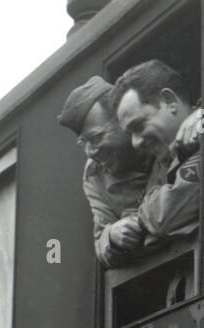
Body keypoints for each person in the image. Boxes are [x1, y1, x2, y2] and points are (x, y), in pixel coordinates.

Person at [107, 60, 204, 256]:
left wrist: (147, 216)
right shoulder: (160, 164)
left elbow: (165, 217)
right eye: (130, 134)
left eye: (139, 126)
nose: (135, 143)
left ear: (169, 101)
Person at [56, 75, 153, 267]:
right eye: (83, 142)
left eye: (96, 137)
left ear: (123, 119)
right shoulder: (94, 174)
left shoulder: (156, 133)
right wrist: (113, 235)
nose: (90, 152)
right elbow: (101, 239)